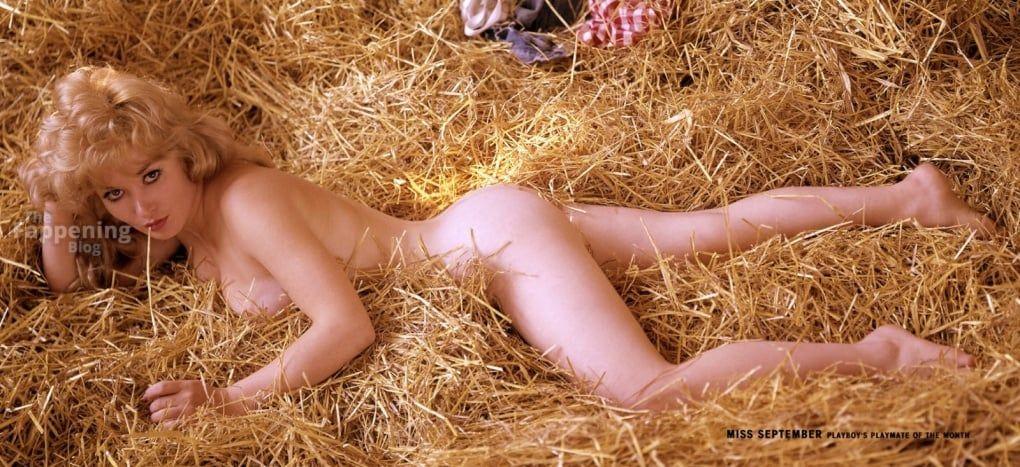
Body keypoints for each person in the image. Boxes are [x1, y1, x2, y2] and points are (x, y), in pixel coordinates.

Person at [19, 66, 997, 426]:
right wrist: (60, 193)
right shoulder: (176, 229)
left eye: (151, 173)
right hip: (491, 228)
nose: (140, 206)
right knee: (712, 230)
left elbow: (346, 325)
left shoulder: (246, 203)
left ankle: (879, 354)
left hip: (490, 247)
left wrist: (230, 397)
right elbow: (69, 284)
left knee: (645, 393)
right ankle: (909, 196)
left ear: (182, 152)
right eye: (116, 192)